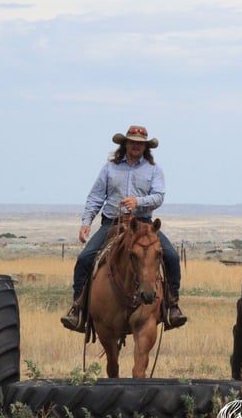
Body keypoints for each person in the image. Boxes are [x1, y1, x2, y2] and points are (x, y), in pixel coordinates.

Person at [60, 125, 187, 333]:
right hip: (112, 222)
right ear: (125, 144)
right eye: (132, 142)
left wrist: (138, 201)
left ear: (145, 147)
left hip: (144, 224)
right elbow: (96, 196)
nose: (136, 146)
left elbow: (159, 196)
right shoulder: (110, 168)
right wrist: (86, 222)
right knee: (85, 259)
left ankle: (172, 306)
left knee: (171, 257)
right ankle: (78, 308)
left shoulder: (154, 170)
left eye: (140, 143)